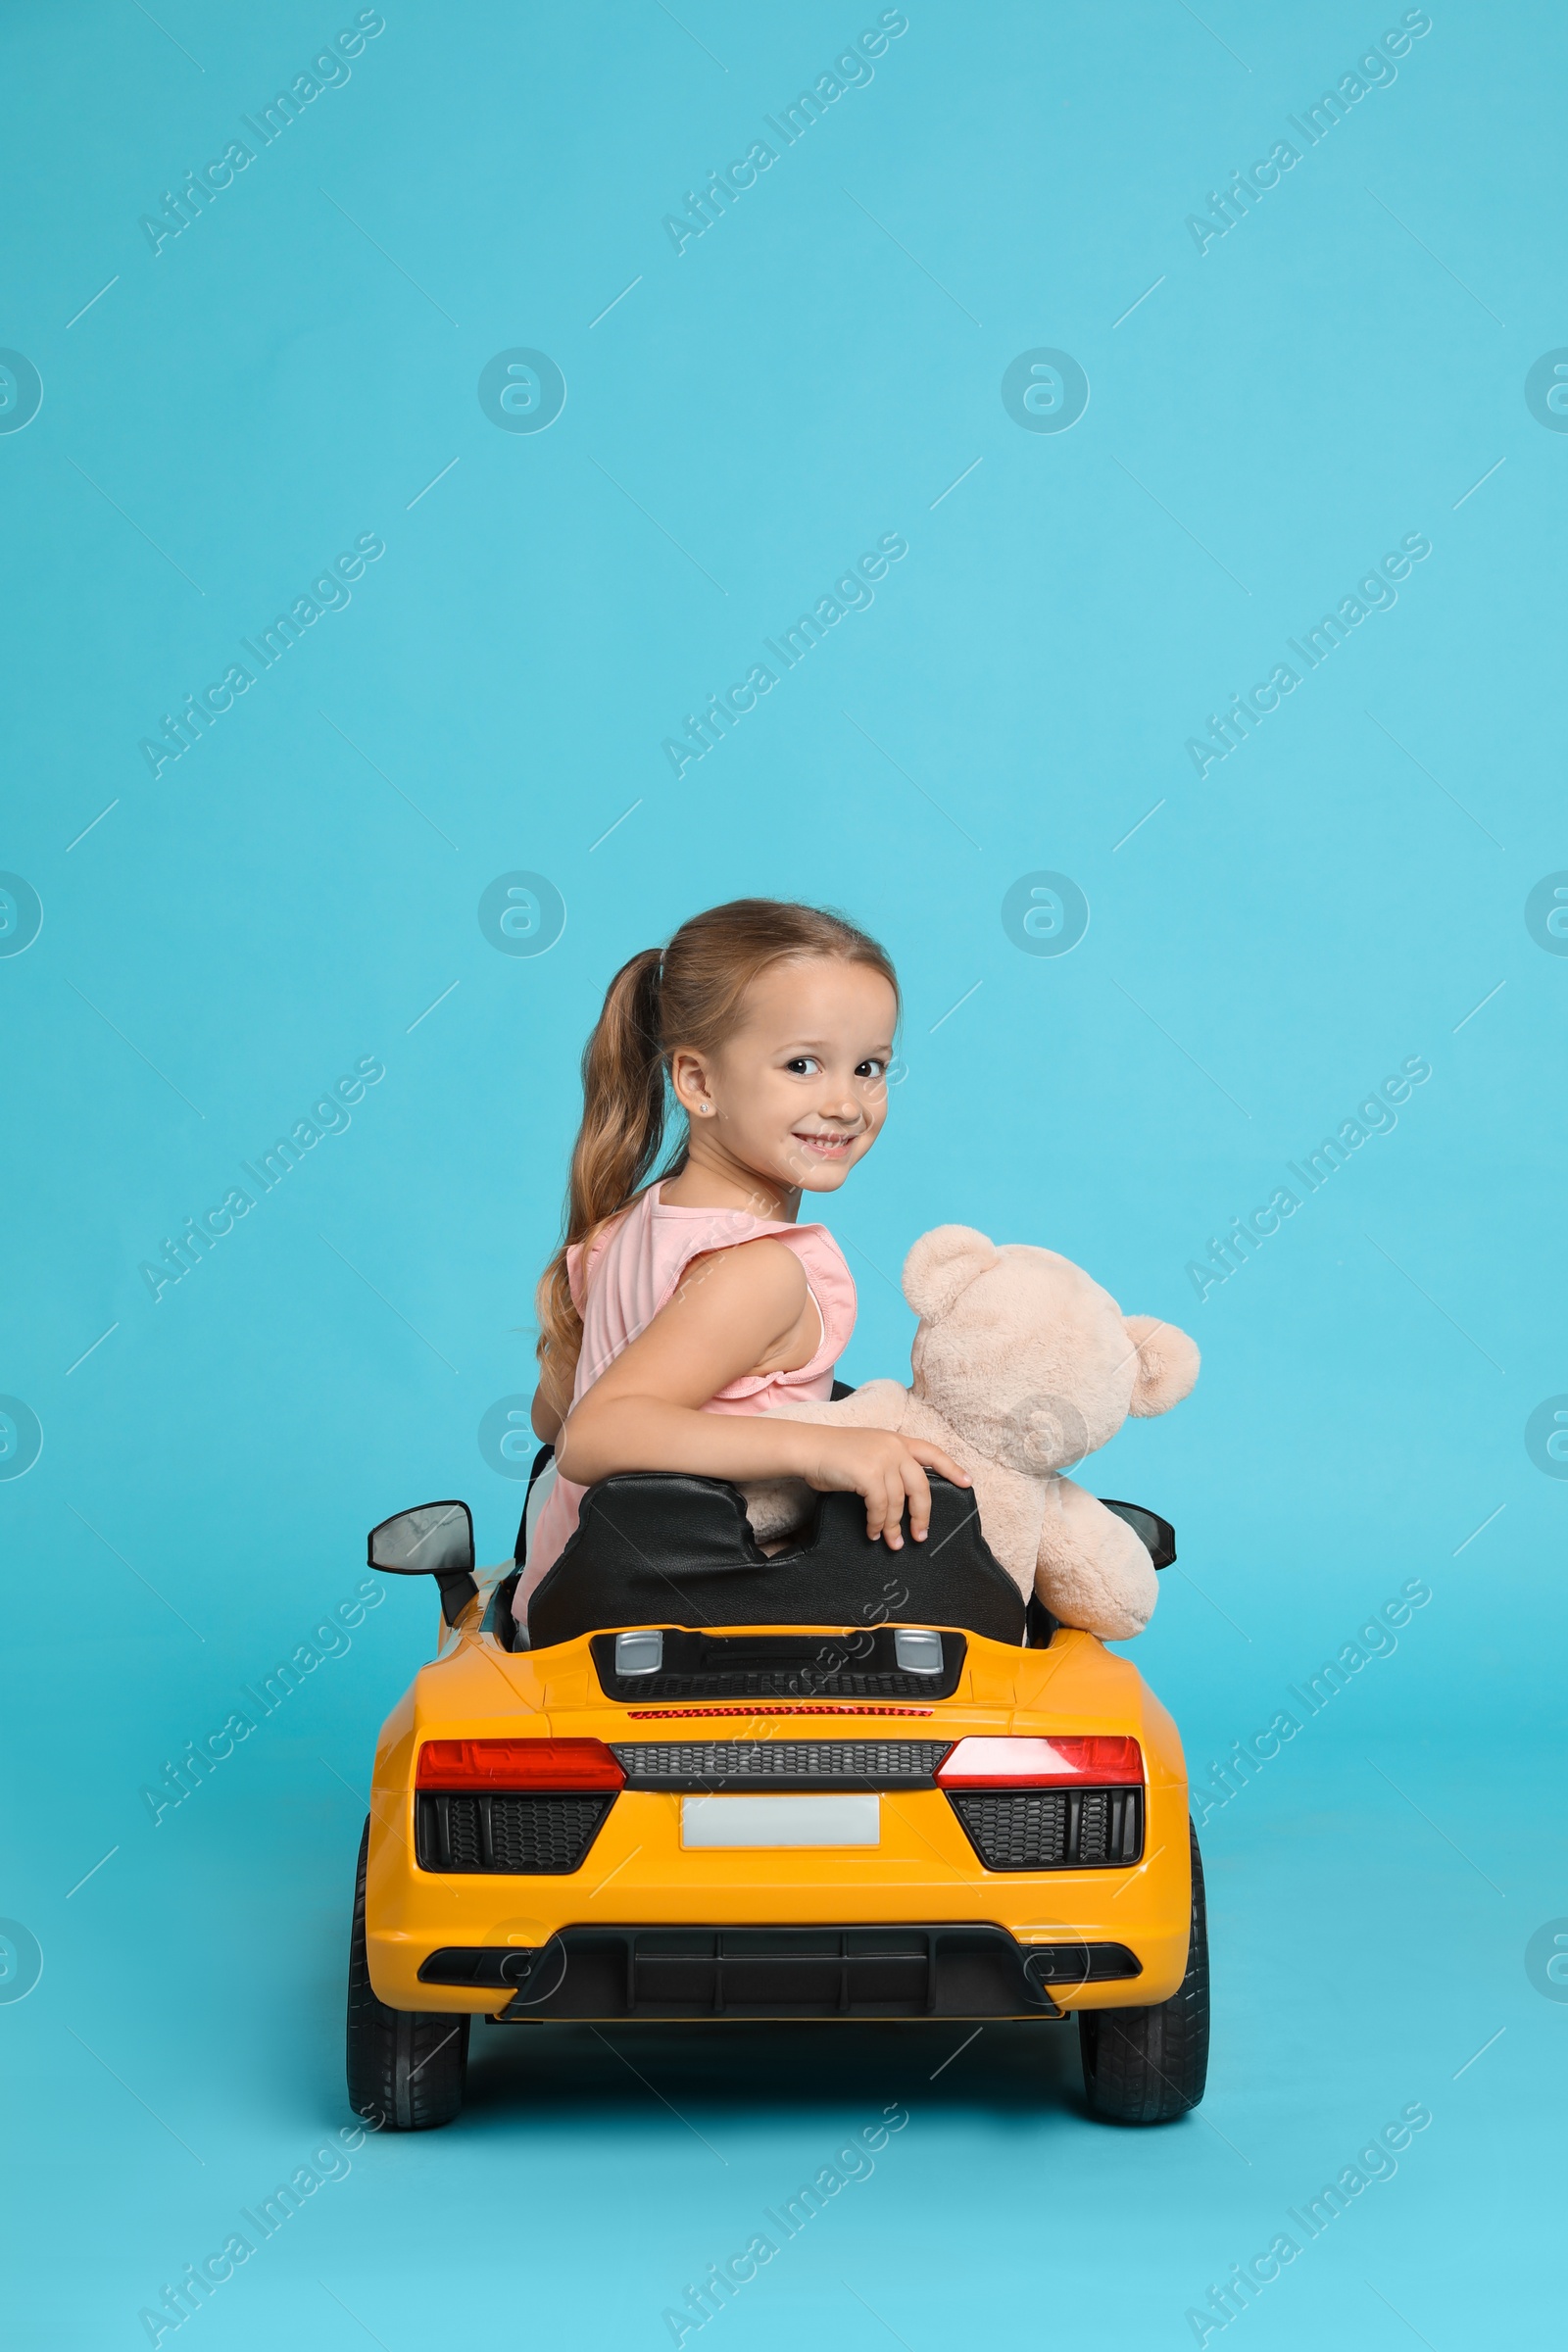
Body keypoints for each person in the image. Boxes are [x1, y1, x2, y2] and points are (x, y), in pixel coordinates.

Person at [516, 898, 969, 1624]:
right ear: (697, 1083)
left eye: (869, 1067)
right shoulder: (757, 1271)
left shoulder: (625, 1229)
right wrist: (822, 1452)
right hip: (676, 1629)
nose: (846, 1103)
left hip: (571, 1603)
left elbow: (549, 1414)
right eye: (803, 1064)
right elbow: (589, 1434)